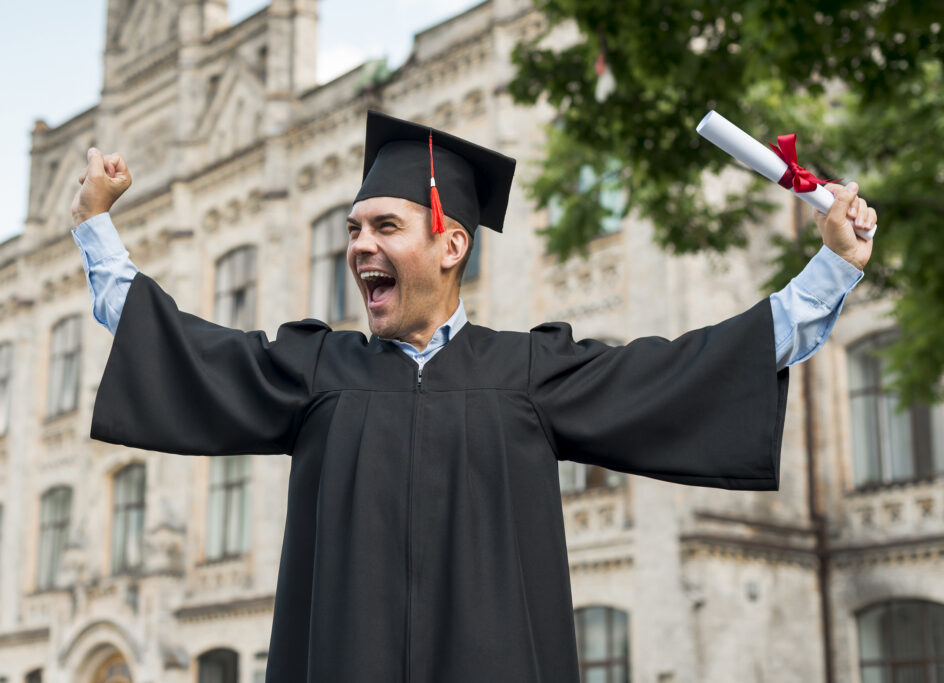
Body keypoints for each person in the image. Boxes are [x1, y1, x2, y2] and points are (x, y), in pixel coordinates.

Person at [70, 110, 875, 683]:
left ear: (451, 243)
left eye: (383, 226)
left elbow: (687, 369)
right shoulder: (314, 372)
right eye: (351, 230)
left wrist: (831, 270)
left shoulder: (529, 375)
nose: (358, 247)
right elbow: (172, 340)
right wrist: (96, 229)